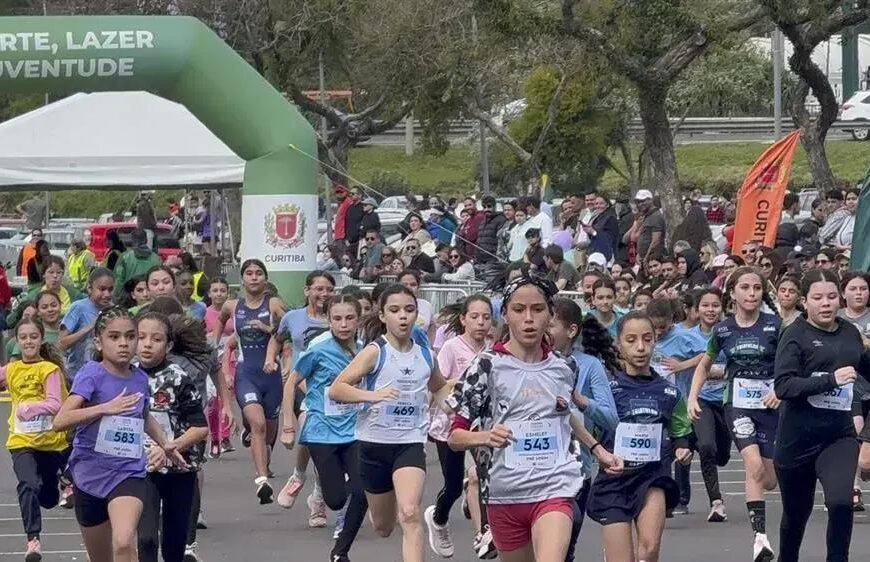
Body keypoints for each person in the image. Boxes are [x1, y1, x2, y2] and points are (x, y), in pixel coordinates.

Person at [446, 276, 583, 562]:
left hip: (554, 486)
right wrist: (485, 436)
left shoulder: (565, 367)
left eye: (538, 309)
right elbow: (455, 437)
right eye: (519, 310)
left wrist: (596, 449)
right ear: (505, 315)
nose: (529, 319)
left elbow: (564, 416)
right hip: (504, 493)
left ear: (550, 315)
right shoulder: (486, 365)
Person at [330, 284, 451, 562]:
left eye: (409, 310)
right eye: (395, 311)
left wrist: (457, 409)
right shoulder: (374, 352)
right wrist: (372, 395)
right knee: (383, 526)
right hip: (374, 444)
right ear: (383, 316)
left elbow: (440, 387)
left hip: (409, 443)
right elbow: (337, 389)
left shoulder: (425, 355)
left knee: (409, 512)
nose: (403, 317)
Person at [53, 306, 182, 562]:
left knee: (123, 542)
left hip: (128, 471)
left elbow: (143, 416)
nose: (124, 343)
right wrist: (105, 409)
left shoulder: (140, 379)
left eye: (130, 336)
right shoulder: (91, 374)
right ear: (99, 342)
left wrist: (167, 444)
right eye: (114, 337)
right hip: (89, 474)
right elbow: (60, 421)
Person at [688, 267, 781, 562]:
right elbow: (704, 364)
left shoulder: (775, 325)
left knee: (768, 479)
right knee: (752, 466)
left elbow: (792, 363)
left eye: (756, 288)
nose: (751, 293)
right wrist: (692, 397)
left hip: (770, 406)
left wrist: (780, 389)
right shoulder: (724, 329)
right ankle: (760, 539)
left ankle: (762, 521)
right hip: (737, 404)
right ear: (733, 293)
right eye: (745, 288)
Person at [774, 269, 867, 562]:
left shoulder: (851, 333)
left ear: (839, 299)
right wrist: (830, 380)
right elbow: (783, 386)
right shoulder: (795, 336)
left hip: (838, 436)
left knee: (841, 503)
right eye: (817, 298)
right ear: (804, 302)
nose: (825, 303)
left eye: (830, 297)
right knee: (796, 515)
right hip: (797, 440)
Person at [585, 312, 693, 562]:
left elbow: (681, 431)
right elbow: (591, 433)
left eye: (647, 339)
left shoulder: (669, 391)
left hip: (652, 477)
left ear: (656, 341)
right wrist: (598, 452)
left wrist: (682, 448)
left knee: (649, 550)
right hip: (614, 482)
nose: (640, 347)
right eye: (631, 340)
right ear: (619, 344)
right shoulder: (607, 389)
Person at [282, 294, 369, 562]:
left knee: (361, 490)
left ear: (359, 319)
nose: (343, 324)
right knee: (336, 499)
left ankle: (340, 551)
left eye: (349, 318)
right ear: (329, 320)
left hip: (355, 430)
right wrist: (288, 424)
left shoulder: (367, 350)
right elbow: (291, 382)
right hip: (322, 431)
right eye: (337, 319)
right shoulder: (318, 349)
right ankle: (321, 494)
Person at [135, 312, 209, 562]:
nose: (147, 344)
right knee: (146, 540)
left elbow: (200, 427)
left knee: (173, 546)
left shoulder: (177, 377)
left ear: (167, 346)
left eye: (155, 339)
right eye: (141, 337)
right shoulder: (127, 375)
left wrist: (169, 447)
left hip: (179, 469)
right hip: (141, 470)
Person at [549, 299, 619, 562]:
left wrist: (581, 402)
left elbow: (612, 418)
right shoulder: (532, 362)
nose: (544, 326)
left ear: (571, 330)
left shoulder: (589, 366)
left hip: (578, 466)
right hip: (536, 466)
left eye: (552, 323)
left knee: (565, 543)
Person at [212, 259, 287, 504]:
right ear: (242, 279)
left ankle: (262, 455)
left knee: (268, 430)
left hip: (271, 375)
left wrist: (268, 329)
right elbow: (221, 321)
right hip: (247, 373)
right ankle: (262, 479)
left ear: (265, 278)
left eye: (258, 273)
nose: (254, 277)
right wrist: (216, 346)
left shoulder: (273, 304)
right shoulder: (233, 305)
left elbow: (289, 329)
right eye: (249, 273)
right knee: (257, 424)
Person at [425, 295, 493, 558]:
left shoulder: (493, 349)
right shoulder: (452, 348)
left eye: (486, 317)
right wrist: (427, 414)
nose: (480, 322)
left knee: (479, 476)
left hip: (481, 427)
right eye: (474, 317)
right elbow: (437, 384)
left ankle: (483, 533)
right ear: (463, 319)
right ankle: (438, 518)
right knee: (453, 486)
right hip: (450, 425)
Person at [0, 318, 69, 561]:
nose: (28, 341)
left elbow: (56, 403)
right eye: (23, 337)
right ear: (16, 341)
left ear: (41, 339)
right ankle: (33, 541)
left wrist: (29, 408)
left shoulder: (49, 370)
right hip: (21, 442)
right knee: (27, 485)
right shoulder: (11, 369)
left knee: (48, 498)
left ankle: (59, 484)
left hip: (50, 444)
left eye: (33, 336)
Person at [270, 271, 334, 522]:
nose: (324, 294)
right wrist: (270, 359)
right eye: (319, 288)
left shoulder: (338, 318)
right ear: (307, 291)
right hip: (301, 385)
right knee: (311, 433)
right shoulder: (292, 317)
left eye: (329, 289)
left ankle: (317, 497)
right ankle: (298, 475)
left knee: (323, 444)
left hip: (333, 389)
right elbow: (276, 340)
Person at [59, 268, 115, 382]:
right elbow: (61, 343)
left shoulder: (113, 310)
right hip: (77, 375)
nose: (107, 294)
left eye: (110, 289)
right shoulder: (79, 307)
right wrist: (90, 327)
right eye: (102, 289)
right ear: (90, 288)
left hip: (103, 375)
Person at [204, 277, 234, 457]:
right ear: (209, 293)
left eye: (222, 290)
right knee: (213, 402)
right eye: (215, 290)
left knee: (227, 396)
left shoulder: (233, 312)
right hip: (211, 359)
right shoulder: (204, 313)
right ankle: (214, 438)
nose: (219, 294)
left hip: (231, 359)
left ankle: (226, 436)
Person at [113, 229, 161, 299]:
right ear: (146, 240)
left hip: (130, 297)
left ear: (132, 240)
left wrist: (117, 298)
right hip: (150, 296)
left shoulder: (124, 257)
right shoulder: (156, 258)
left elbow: (118, 280)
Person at [634, 190, 666, 265]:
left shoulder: (656, 216)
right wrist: (639, 254)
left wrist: (646, 258)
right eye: (638, 202)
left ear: (650, 200)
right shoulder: (647, 216)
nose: (640, 204)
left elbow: (656, 240)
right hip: (643, 259)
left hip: (653, 260)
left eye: (643, 201)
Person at [474, 196, 506, 264]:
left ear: (494, 207)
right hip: (480, 259)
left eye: (489, 206)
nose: (486, 209)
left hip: (493, 259)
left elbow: (501, 241)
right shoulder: (482, 222)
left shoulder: (501, 219)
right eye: (484, 207)